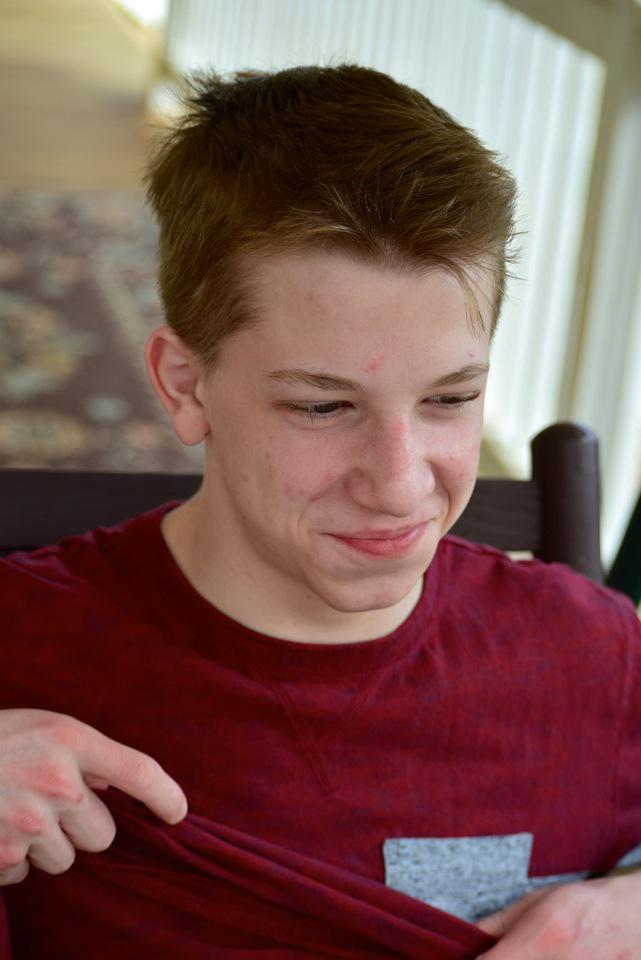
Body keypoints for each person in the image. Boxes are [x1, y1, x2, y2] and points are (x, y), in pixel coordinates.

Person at [1, 63, 641, 959]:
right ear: (185, 386)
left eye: (451, 398)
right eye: (322, 406)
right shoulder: (21, 646)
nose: (399, 484)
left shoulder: (592, 654)